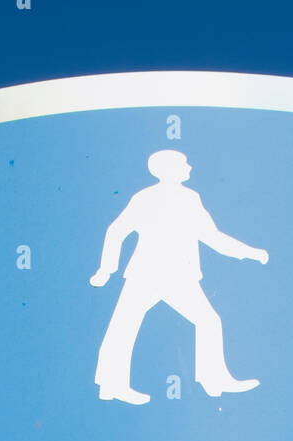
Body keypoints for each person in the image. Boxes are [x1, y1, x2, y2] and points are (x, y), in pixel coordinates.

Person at [90, 149, 268, 404]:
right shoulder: (145, 198)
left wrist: (250, 253)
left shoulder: (190, 198)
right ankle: (111, 386)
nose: (190, 167)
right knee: (123, 327)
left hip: (179, 276)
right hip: (147, 274)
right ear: (169, 169)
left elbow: (213, 238)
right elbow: (117, 230)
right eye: (184, 163)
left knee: (208, 321)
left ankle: (214, 380)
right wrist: (106, 269)